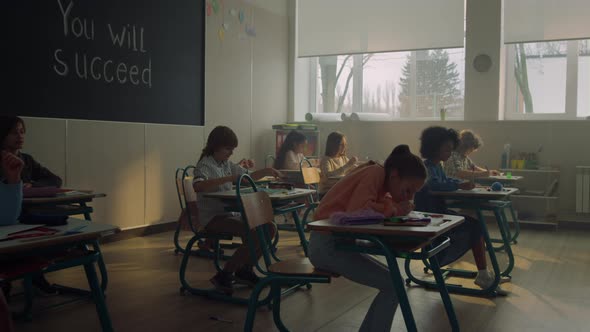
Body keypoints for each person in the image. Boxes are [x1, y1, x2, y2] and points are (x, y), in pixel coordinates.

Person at [308, 145, 426, 332]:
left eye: (413, 194)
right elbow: (359, 209)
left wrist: (394, 205)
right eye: (408, 190)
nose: (410, 197)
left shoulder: (382, 179)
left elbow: (368, 210)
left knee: (395, 282)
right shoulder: (376, 173)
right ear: (394, 175)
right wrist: (394, 208)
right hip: (326, 246)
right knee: (394, 285)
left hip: (339, 243)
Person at [414, 126, 505, 292]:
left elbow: (445, 180)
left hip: (439, 213)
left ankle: (483, 272)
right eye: (447, 149)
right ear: (434, 148)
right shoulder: (425, 167)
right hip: (431, 216)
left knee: (476, 225)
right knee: (475, 227)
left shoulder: (437, 166)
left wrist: (458, 184)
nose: (450, 152)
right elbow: (435, 184)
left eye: (451, 148)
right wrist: (459, 184)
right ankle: (483, 274)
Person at [193, 126, 282, 294]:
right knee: (254, 233)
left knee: (269, 228)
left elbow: (247, 176)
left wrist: (267, 171)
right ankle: (225, 274)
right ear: (216, 146)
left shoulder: (225, 163)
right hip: (213, 218)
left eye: (232, 149)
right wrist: (228, 178)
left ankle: (245, 269)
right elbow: (198, 186)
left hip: (229, 214)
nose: (231, 153)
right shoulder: (204, 165)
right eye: (228, 149)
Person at [0, 116, 62, 188]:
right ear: (3, 134)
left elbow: (56, 180)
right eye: (14, 132)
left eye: (22, 132)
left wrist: (33, 185)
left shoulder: (27, 159)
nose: (20, 136)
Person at [0, 150, 23, 332]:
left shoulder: (23, 159)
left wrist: (13, 180)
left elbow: (7, 218)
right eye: (14, 132)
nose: (20, 136)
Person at [318, 132, 359, 196]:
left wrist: (367, 165)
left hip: (340, 191)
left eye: (345, 145)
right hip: (327, 193)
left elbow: (354, 168)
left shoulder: (343, 158)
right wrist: (348, 165)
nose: (344, 147)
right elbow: (329, 176)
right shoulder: (326, 160)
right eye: (341, 145)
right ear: (333, 145)